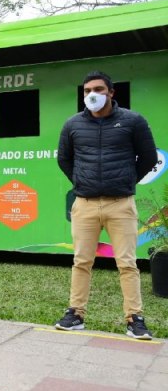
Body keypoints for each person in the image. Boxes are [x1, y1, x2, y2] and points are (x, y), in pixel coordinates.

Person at [56, 71, 158, 340]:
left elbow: (148, 157)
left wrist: (125, 180)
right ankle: (75, 314)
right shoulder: (72, 125)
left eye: (99, 89)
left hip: (120, 204)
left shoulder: (133, 121)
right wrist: (81, 181)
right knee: (81, 261)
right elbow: (64, 159)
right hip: (85, 204)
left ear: (111, 93)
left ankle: (135, 319)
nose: (92, 94)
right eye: (87, 90)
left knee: (127, 263)